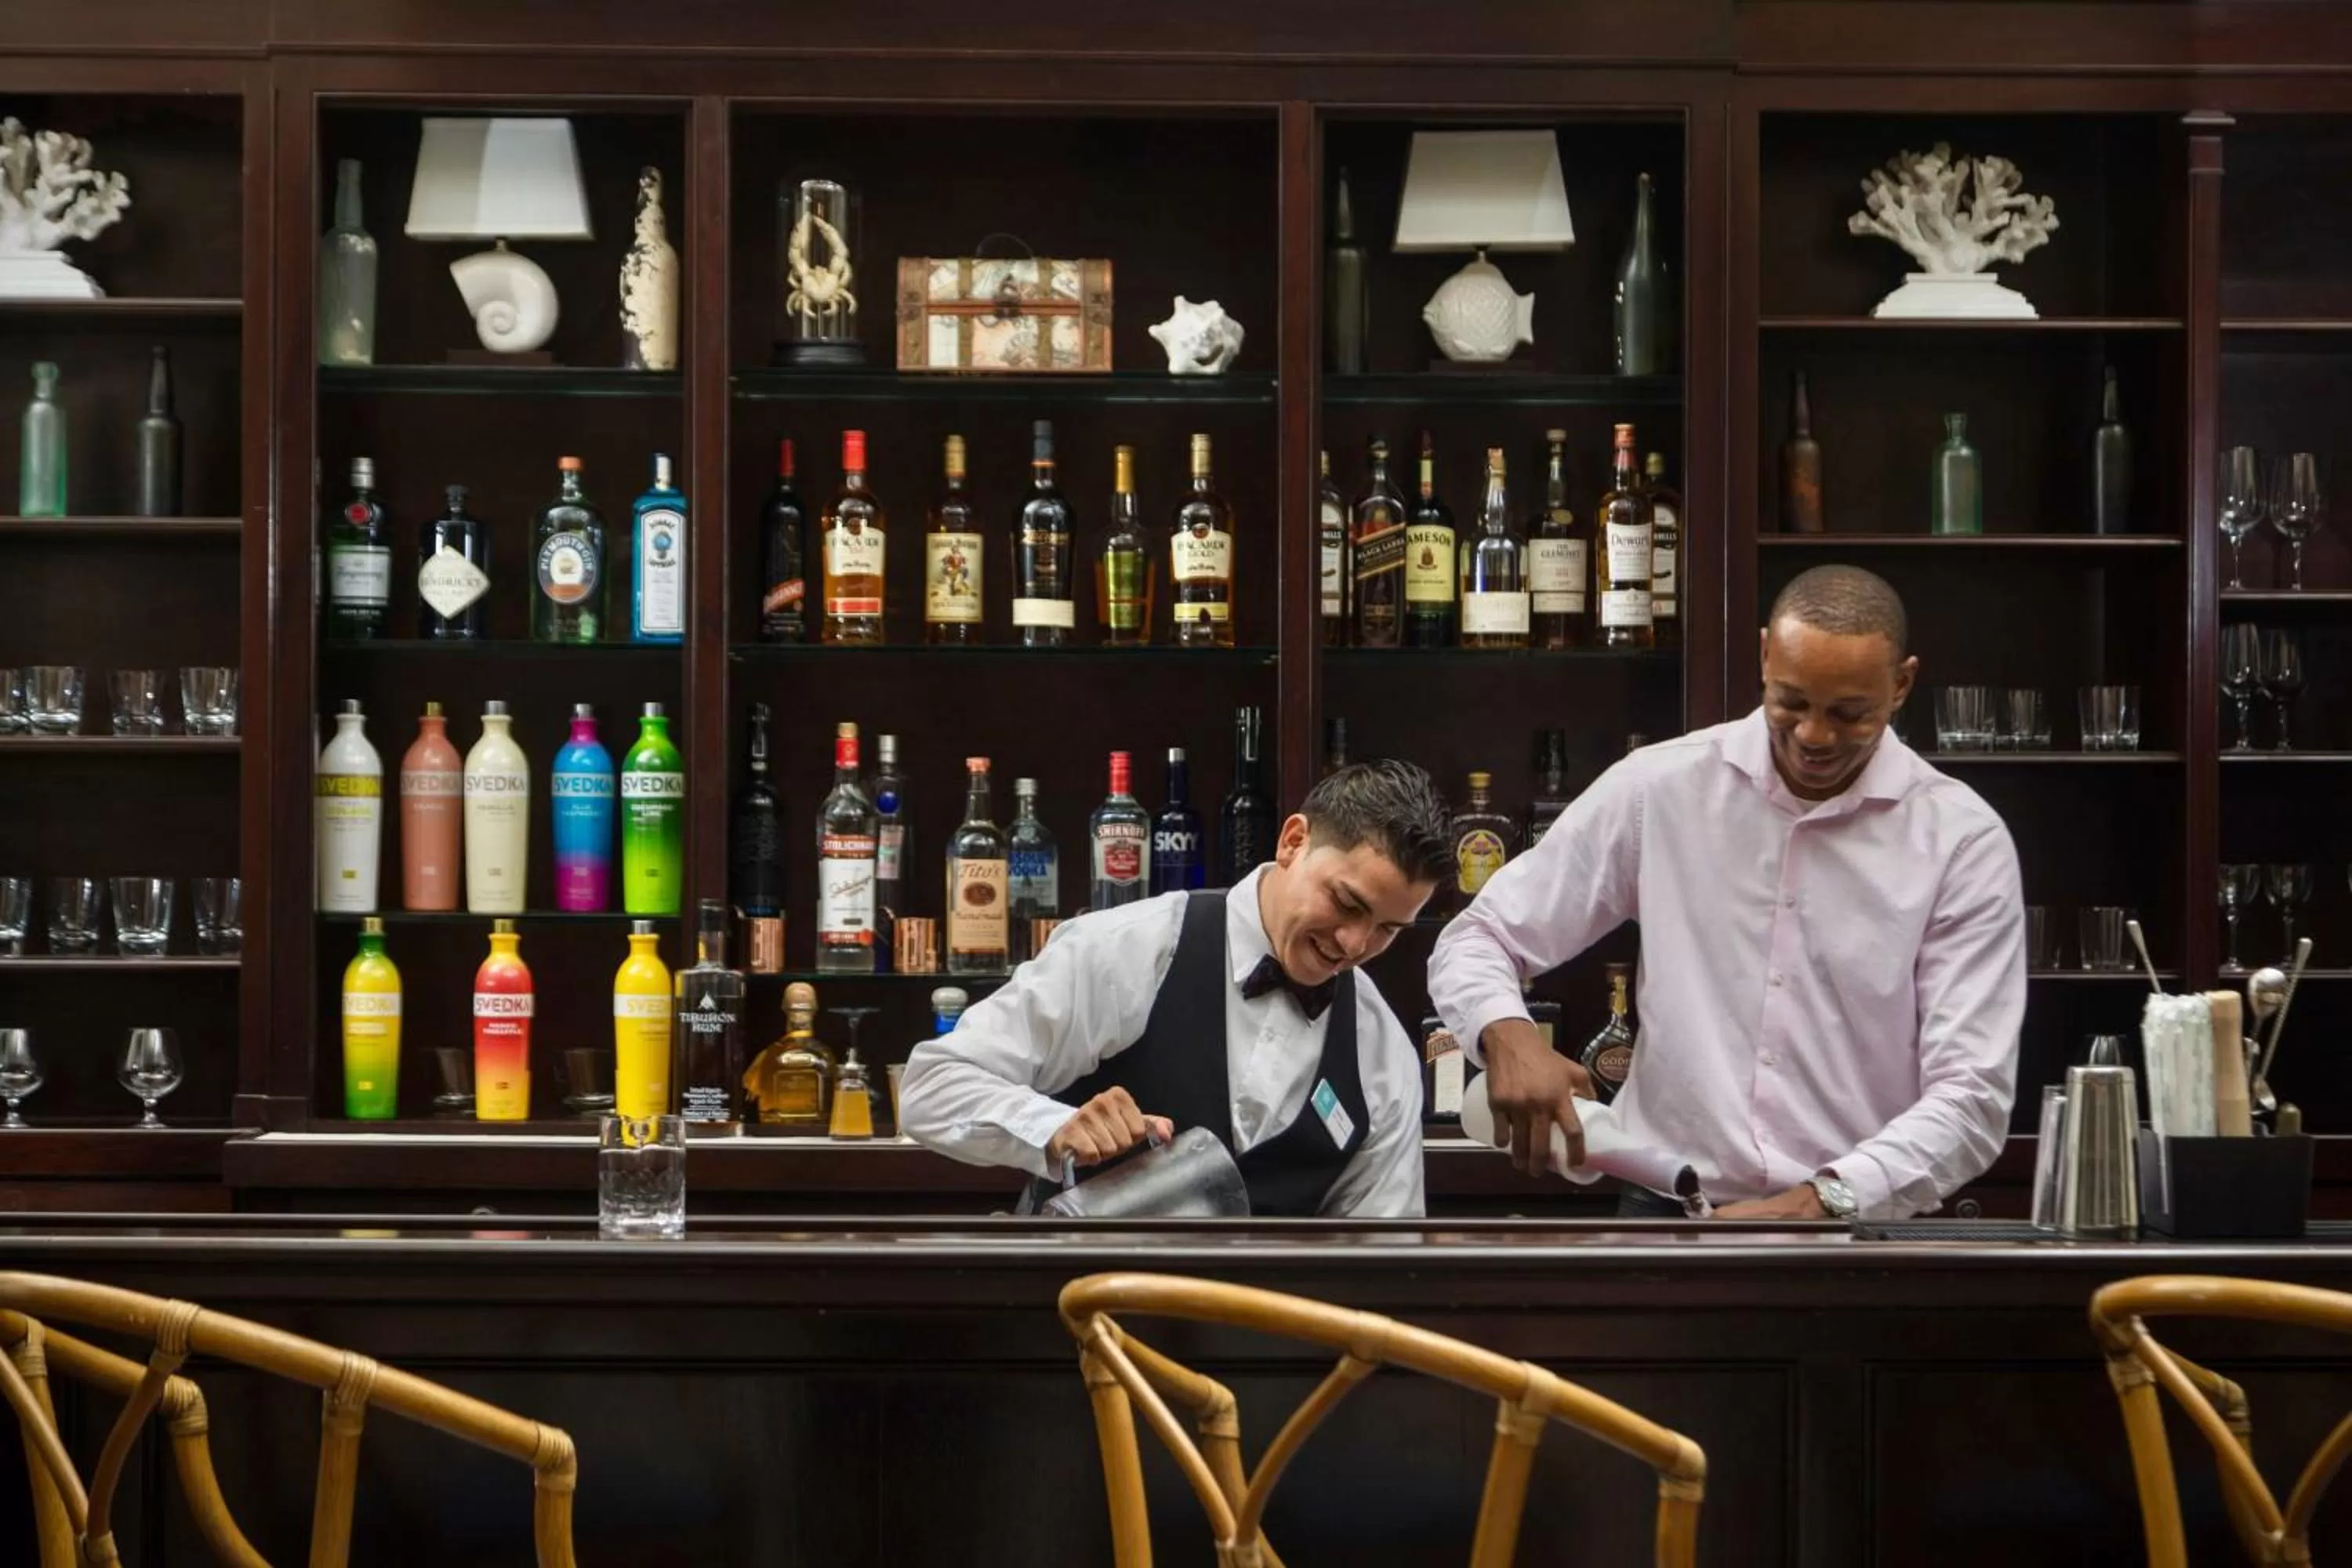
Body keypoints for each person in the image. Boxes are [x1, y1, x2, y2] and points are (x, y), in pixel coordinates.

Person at [1429, 564, 2024, 1220]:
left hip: (1859, 1234)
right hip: (1668, 1217)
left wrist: (1819, 1202)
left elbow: (1972, 1097)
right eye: (1792, 702)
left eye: (1849, 714)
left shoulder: (1961, 842)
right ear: (1766, 652)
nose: (1815, 736)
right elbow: (1478, 936)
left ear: (1902, 683)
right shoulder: (1660, 790)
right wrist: (1507, 1034)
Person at [898, 760, 1455, 1217]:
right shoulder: (1130, 947)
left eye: (1388, 929)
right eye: (1347, 902)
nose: (1356, 944)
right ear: (1293, 841)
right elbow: (931, 1087)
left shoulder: (1381, 1049)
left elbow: (1382, 1255)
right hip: (1080, 1330)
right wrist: (1052, 1127)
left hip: (1267, 1347)